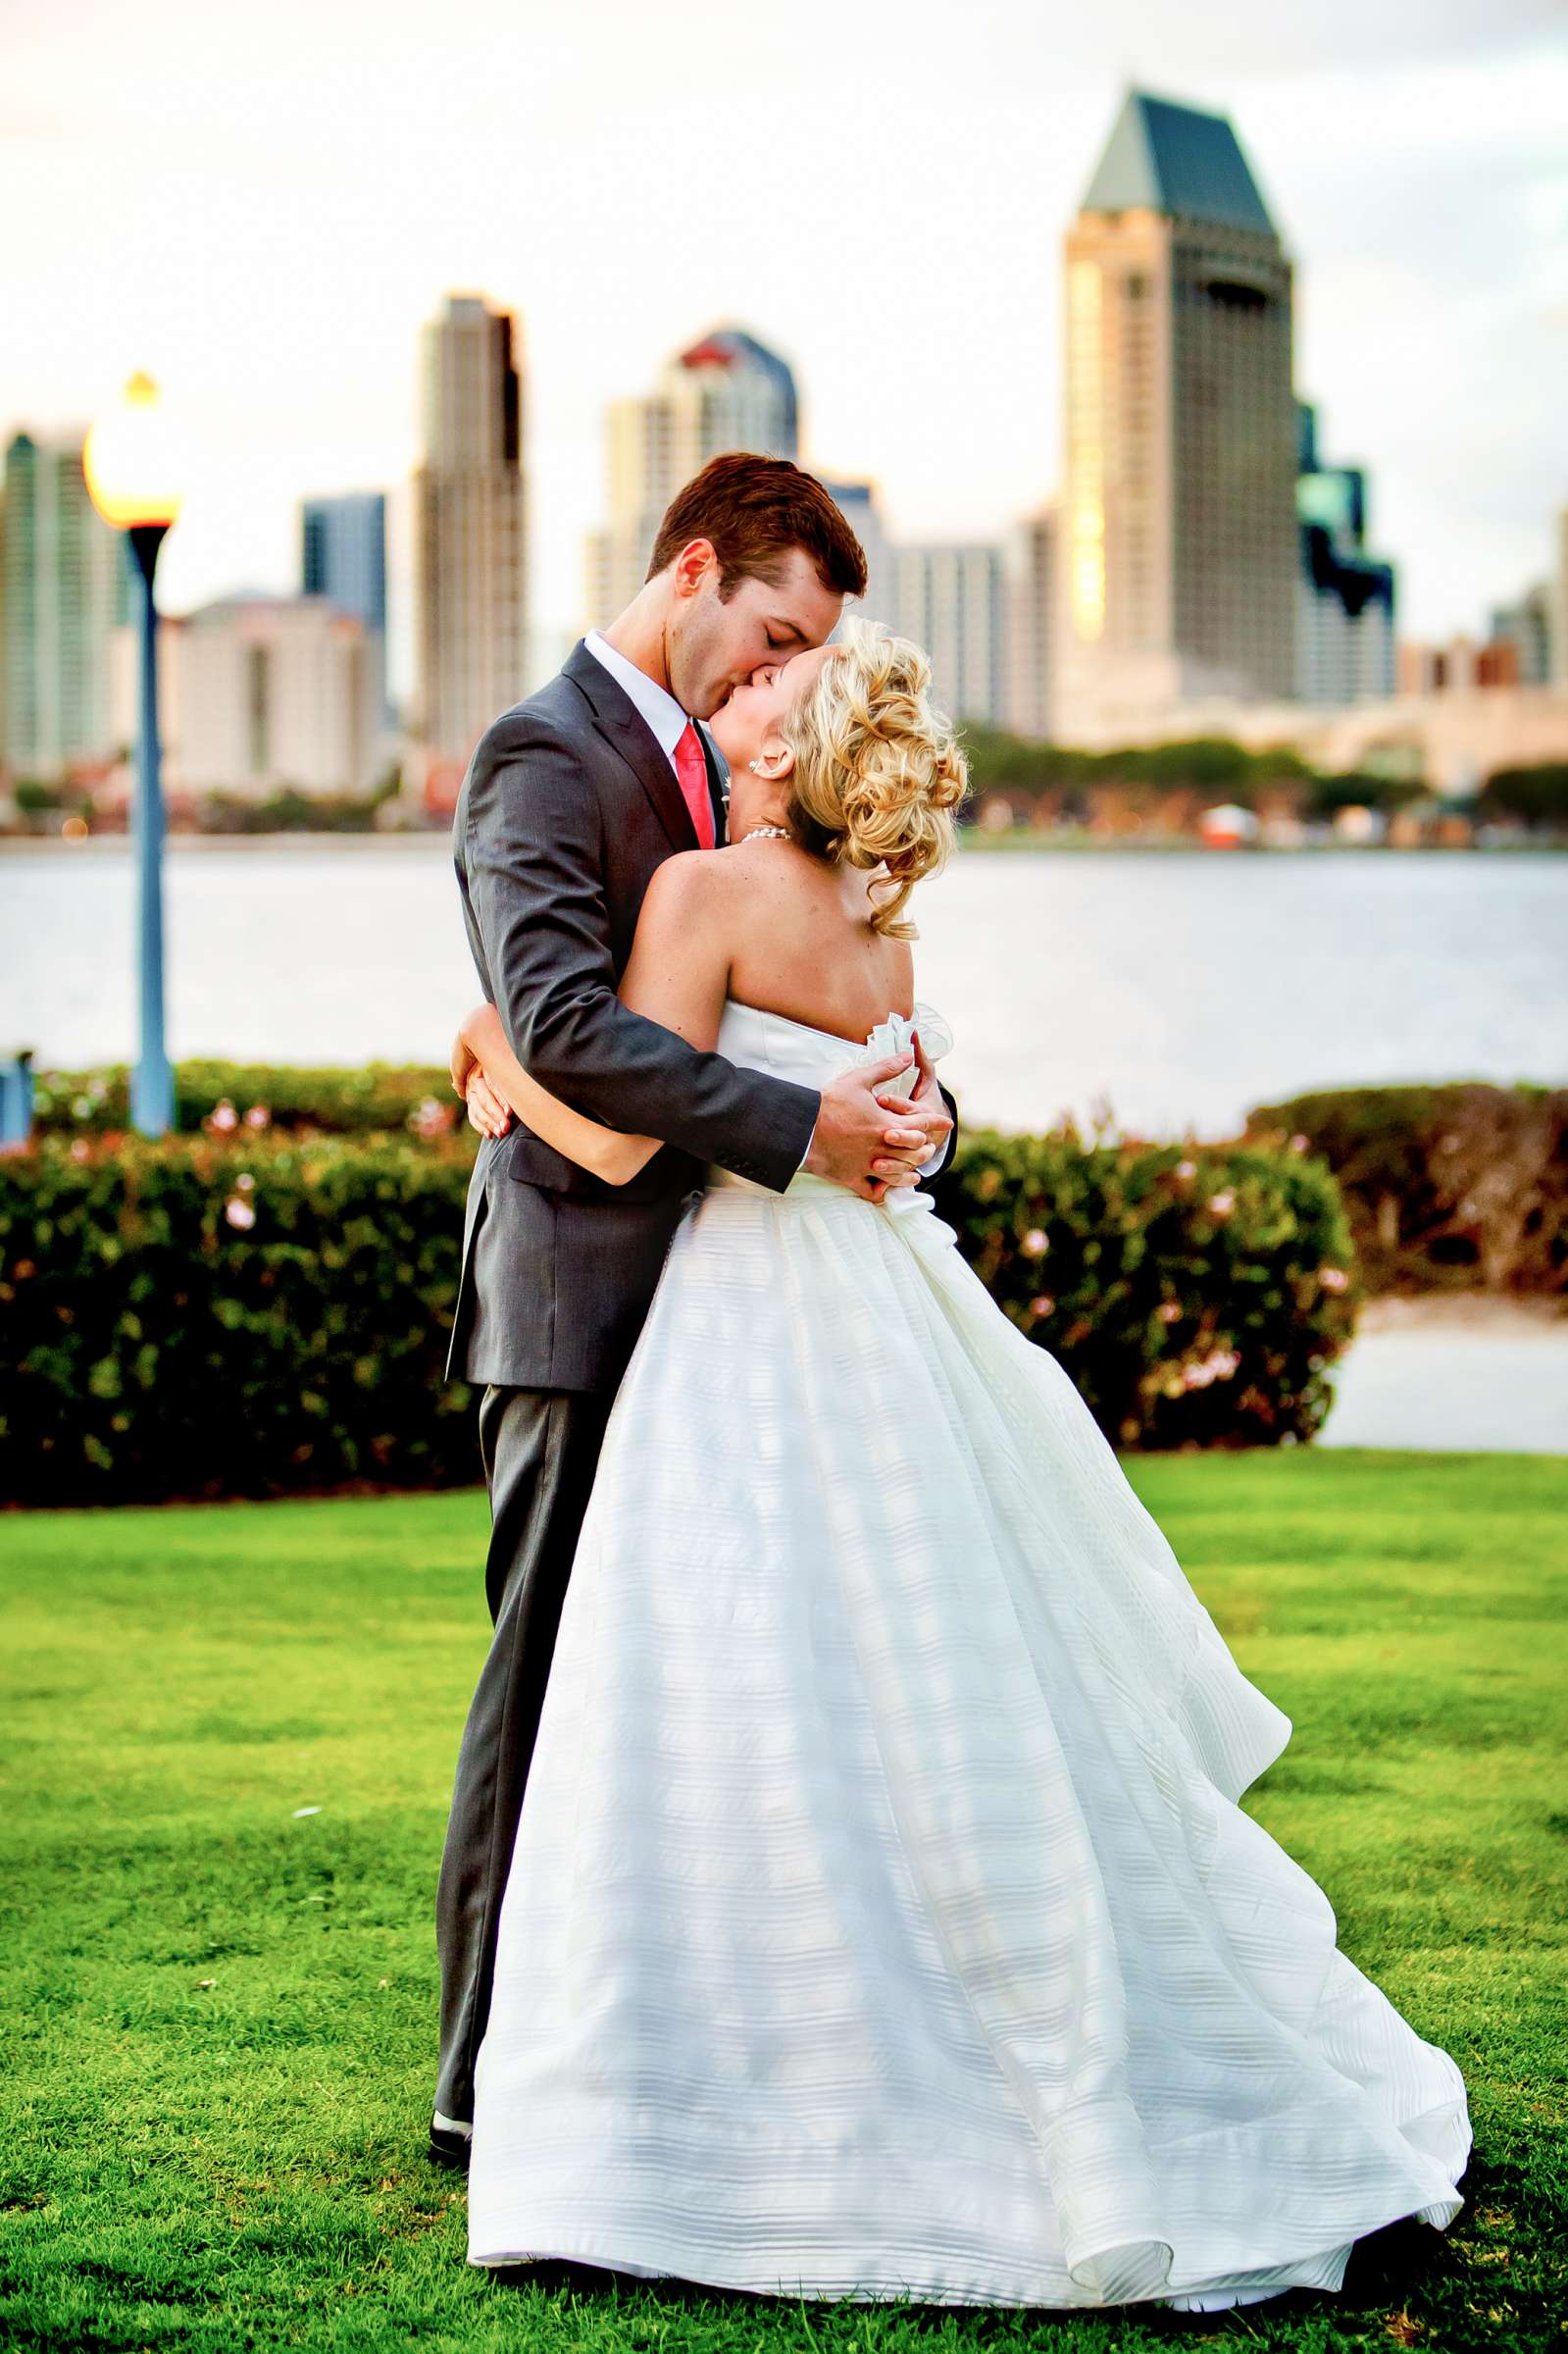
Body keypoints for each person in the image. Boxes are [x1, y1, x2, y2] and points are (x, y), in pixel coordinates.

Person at [447, 618, 1473, 2313]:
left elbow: (622, 1129)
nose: (759, 681)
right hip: (885, 1318)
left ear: (782, 754)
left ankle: (728, 2101)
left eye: (778, 684)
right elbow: (872, 1124)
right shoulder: (881, 936)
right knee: (919, 1682)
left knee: (722, 1690)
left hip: (744, 1334)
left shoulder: (705, 893)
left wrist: (490, 1047)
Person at [432, 454, 958, 2169]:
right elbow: (571, 1020)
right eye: (774, 631)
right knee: (543, 1692)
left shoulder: (717, 781)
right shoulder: (541, 750)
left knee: (686, 1702)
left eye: (810, 656)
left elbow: (755, 998)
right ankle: (478, 2076)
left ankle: (657, 2044)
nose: (779, 677)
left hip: (728, 1317)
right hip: (582, 1299)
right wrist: (804, 1130)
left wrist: (893, 1108)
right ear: (691, 568)